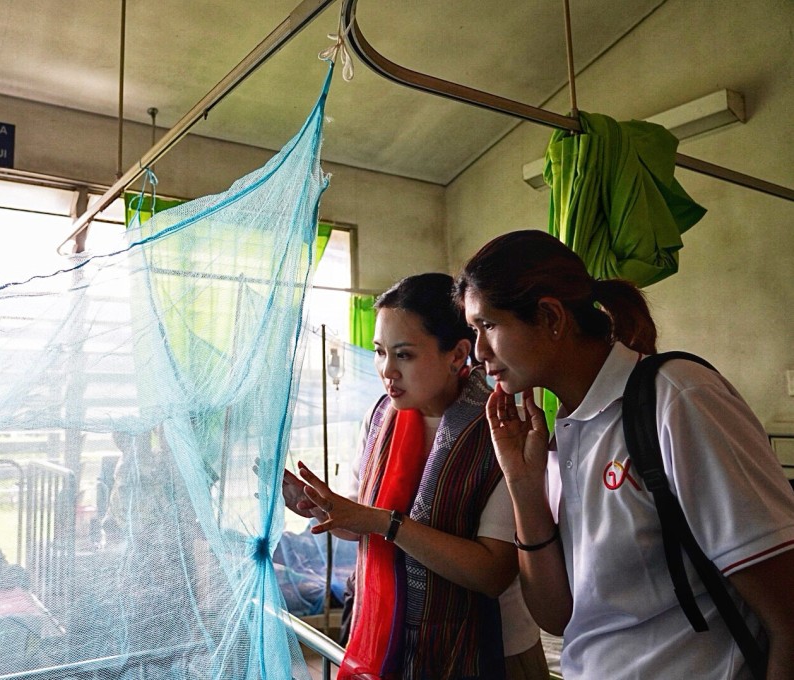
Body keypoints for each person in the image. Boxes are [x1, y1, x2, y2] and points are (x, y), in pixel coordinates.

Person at [454, 229, 794, 679]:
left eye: (488, 326)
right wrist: (522, 484)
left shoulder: (676, 398)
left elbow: (788, 614)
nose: (478, 353)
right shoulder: (564, 430)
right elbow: (558, 617)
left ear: (551, 317)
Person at [283, 273, 548, 680]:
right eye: (379, 352)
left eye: (403, 355)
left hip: (488, 652)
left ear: (458, 355)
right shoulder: (380, 421)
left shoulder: (500, 431)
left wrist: (383, 523)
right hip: (388, 638)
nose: (386, 370)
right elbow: (358, 527)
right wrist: (320, 508)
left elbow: (492, 573)